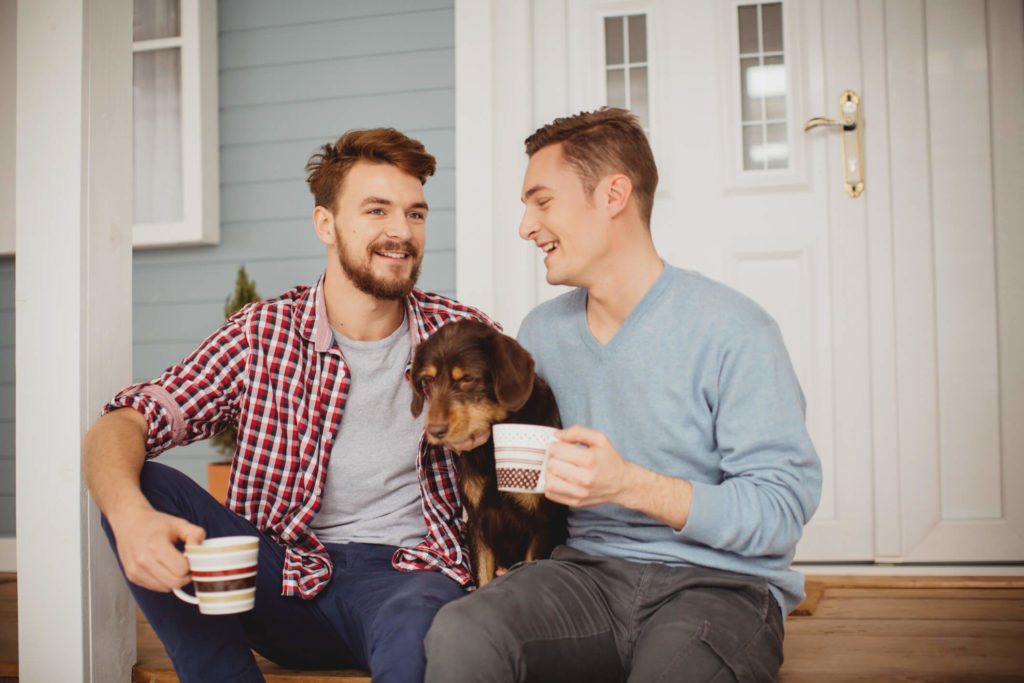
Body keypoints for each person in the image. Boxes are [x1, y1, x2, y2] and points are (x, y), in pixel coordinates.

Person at [424, 108, 822, 682]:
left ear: (613, 195)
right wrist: (478, 433)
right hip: (584, 576)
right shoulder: (541, 335)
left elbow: (780, 513)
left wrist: (631, 485)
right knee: (461, 631)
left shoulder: (735, 330)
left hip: (720, 587)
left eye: (542, 201)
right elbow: (522, 476)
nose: (525, 226)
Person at [82, 127, 492, 683]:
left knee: (423, 637)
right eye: (377, 210)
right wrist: (130, 520)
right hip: (279, 579)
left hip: (406, 581)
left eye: (415, 214)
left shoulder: (459, 333)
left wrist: (490, 427)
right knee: (145, 483)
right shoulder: (263, 333)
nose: (401, 232)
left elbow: (533, 420)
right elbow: (126, 420)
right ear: (326, 223)